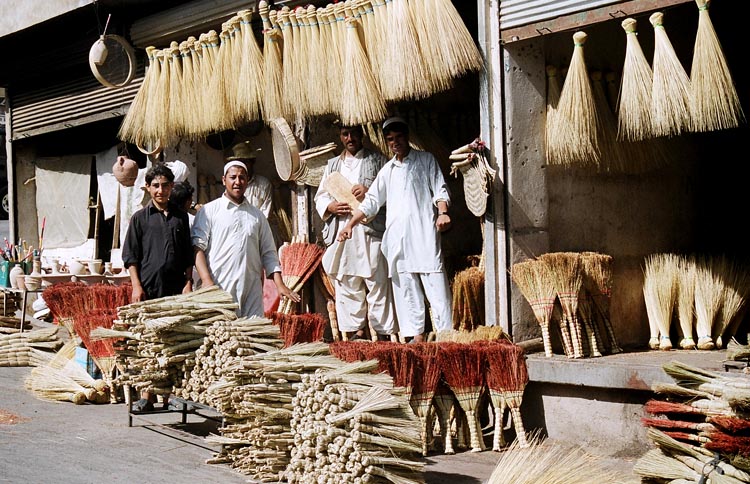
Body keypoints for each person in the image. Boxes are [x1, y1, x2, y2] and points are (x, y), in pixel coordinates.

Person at [338, 117, 453, 343]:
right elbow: (371, 201)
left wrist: (442, 212)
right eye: (390, 139)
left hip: (424, 237)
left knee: (438, 291)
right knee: (406, 291)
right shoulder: (388, 170)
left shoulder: (425, 160)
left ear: (406, 137)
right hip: (398, 242)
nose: (395, 143)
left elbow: (439, 188)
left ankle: (445, 338)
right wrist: (350, 224)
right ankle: (416, 336)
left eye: (398, 137)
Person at [122, 163, 194, 411]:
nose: (160, 190)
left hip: (175, 292)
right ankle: (147, 395)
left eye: (165, 185)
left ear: (171, 187)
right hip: (148, 291)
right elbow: (131, 257)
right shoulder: (140, 219)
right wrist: (136, 286)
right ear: (148, 188)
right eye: (155, 186)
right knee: (148, 343)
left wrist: (188, 282)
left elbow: (187, 257)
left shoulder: (181, 218)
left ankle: (170, 395)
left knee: (172, 343)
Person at [314, 124, 396, 341]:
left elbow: (394, 192)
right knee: (348, 280)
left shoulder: (378, 161)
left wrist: (369, 192)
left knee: (377, 280)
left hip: (370, 230)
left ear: (362, 135)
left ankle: (383, 331)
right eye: (345, 134)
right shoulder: (332, 165)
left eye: (354, 133)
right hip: (343, 230)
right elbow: (321, 196)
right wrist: (330, 207)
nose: (350, 138)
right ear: (340, 137)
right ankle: (356, 332)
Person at [191, 160, 300, 318]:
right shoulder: (209, 211)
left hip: (251, 291)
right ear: (223, 180)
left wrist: (280, 285)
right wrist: (206, 281)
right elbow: (197, 248)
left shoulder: (257, 216)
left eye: (242, 178)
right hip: (219, 288)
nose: (237, 182)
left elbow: (268, 253)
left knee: (252, 337)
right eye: (233, 177)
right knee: (221, 336)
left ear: (247, 181)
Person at [225, 141, 273, 218]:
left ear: (252, 162)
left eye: (246, 162)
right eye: (240, 162)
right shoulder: (232, 185)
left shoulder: (263, 184)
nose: (243, 165)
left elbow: (265, 213)